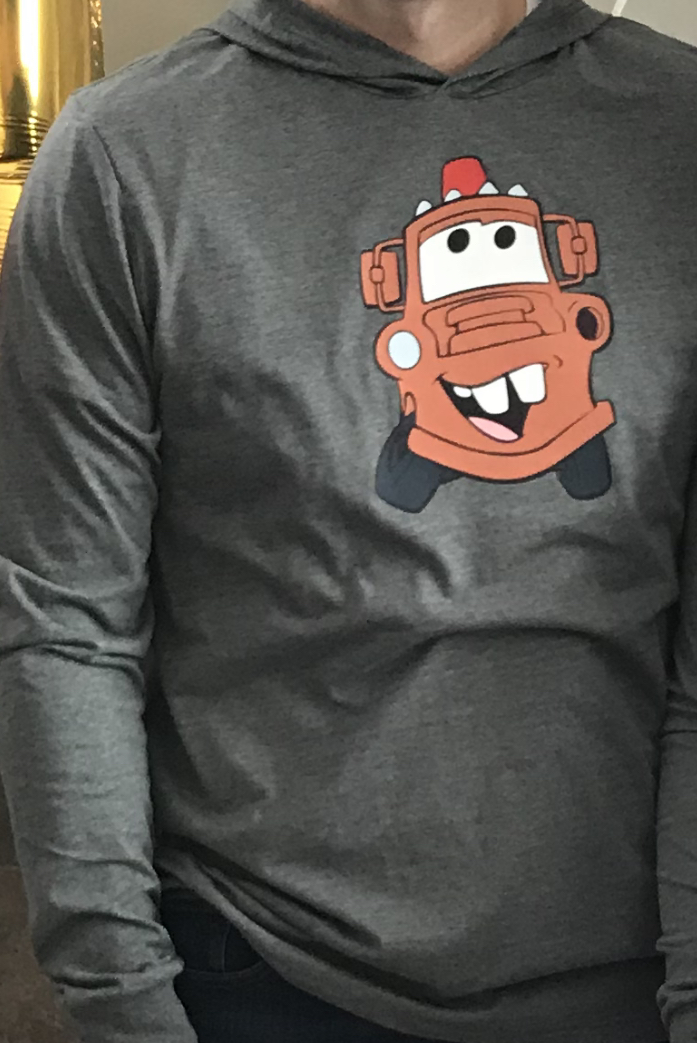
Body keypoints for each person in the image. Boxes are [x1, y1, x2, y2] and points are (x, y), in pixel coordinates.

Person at [0, 0, 694, 1038]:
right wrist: (123, 1001)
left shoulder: (675, 128)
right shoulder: (122, 155)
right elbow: (65, 625)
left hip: (631, 978)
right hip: (258, 968)